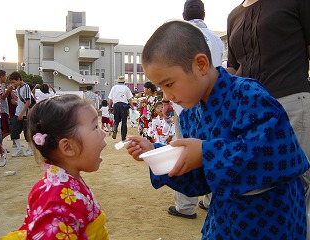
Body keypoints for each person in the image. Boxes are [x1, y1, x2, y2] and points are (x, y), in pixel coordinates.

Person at [125, 20, 310, 239]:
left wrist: (205, 152)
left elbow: (277, 157)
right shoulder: (191, 115)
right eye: (160, 88)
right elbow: (201, 180)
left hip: (272, 219)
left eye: (169, 84)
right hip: (225, 220)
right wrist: (157, 154)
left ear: (201, 65)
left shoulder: (249, 94)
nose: (165, 96)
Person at [227, 0, 310, 235]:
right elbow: (234, 68)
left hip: (291, 101)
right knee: (261, 189)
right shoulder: (234, 14)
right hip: (250, 114)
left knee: (295, 185)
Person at [0, 94, 108, 239]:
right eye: (95, 127)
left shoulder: (65, 185)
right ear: (68, 147)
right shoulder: (57, 206)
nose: (104, 133)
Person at [167, 0, 225, 219]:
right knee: (210, 148)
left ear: (183, 15)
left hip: (186, 105)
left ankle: (185, 206)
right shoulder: (217, 40)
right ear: (204, 14)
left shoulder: (178, 36)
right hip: (215, 103)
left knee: (184, 151)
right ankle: (209, 200)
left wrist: (168, 102)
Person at [9, 71, 33, 157]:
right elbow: (20, 101)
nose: (13, 84)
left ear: (18, 79)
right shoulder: (18, 88)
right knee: (14, 131)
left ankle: (30, 149)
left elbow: (28, 102)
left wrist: (22, 113)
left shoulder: (26, 87)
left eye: (13, 82)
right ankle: (19, 149)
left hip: (25, 113)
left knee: (27, 132)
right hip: (18, 112)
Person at [108, 76, 134, 141]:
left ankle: (115, 128)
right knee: (124, 122)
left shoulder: (114, 88)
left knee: (116, 120)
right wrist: (133, 107)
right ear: (124, 82)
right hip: (124, 106)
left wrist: (109, 107)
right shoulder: (126, 88)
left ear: (118, 82)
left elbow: (110, 99)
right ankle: (123, 137)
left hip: (116, 105)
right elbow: (130, 99)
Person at [0, 70, 13, 144]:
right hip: (2, 110)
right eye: (5, 76)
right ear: (1, 76)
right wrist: (8, 91)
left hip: (4, 110)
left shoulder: (1, 85)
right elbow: (2, 97)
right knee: (6, 130)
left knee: (3, 130)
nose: (5, 78)